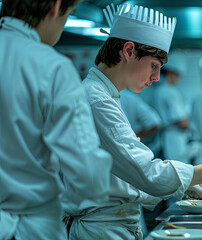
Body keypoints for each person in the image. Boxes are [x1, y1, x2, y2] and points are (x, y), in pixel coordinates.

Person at [63, 4, 202, 239]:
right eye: (153, 65)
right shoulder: (96, 100)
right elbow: (145, 172)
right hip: (101, 229)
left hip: (110, 223)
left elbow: (120, 175)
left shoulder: (106, 95)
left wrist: (178, 186)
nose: (156, 77)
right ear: (128, 51)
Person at [0, 0, 113, 239]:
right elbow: (89, 176)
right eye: (69, 15)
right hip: (29, 228)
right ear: (55, 7)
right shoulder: (51, 66)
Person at [153, 53, 190, 163]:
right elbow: (181, 122)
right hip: (174, 138)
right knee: (178, 170)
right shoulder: (170, 92)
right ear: (170, 72)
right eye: (178, 75)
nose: (179, 78)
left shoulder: (159, 90)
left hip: (167, 137)